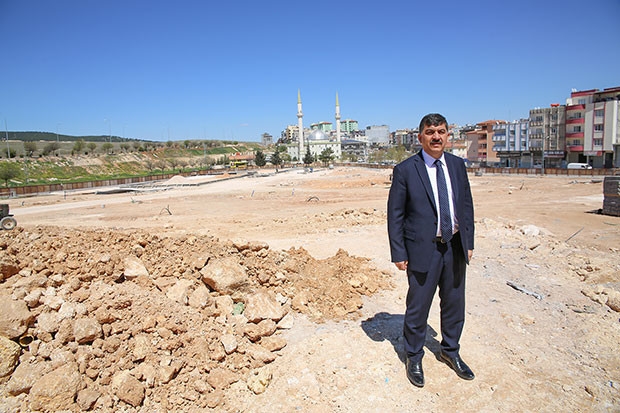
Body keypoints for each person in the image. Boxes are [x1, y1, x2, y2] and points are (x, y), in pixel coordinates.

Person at [387, 113, 475, 388]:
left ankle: (451, 351)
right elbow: (395, 215)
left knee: (454, 303)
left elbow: (466, 206)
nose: (436, 137)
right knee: (418, 306)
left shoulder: (457, 165)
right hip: (422, 250)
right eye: (430, 132)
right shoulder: (405, 170)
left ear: (448, 135)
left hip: (455, 247)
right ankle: (413, 356)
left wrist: (469, 242)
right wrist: (399, 252)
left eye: (441, 131)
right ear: (420, 137)